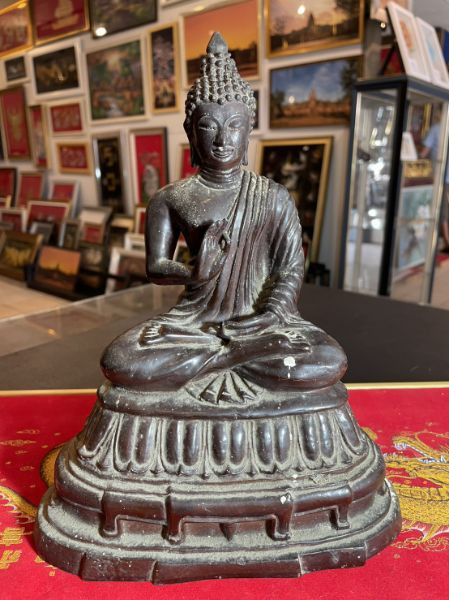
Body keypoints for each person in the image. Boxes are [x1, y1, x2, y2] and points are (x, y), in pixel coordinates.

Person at [101, 33, 346, 398]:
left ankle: (217, 360)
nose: (222, 139)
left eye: (233, 125)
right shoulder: (169, 199)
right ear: (190, 132)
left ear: (248, 132)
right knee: (121, 360)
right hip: (193, 324)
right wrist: (194, 272)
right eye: (208, 126)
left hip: (260, 324)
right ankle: (233, 357)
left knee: (328, 360)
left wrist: (269, 316)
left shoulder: (274, 197)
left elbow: (290, 270)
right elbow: (155, 267)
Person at [421, 110, 449, 251]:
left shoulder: (436, 129)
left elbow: (424, 153)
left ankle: (447, 241)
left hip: (441, 175)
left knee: (441, 208)